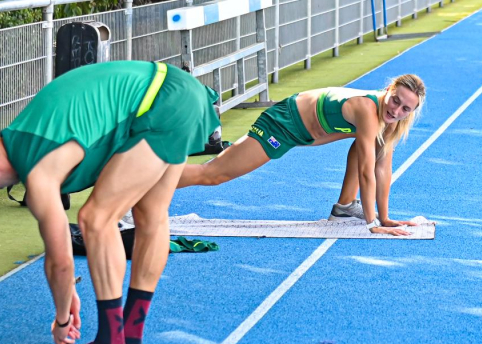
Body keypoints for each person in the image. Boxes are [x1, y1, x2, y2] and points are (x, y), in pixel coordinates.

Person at [0, 60, 222, 344]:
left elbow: (60, 260)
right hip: (175, 89)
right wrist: (69, 292)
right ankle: (129, 335)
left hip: (160, 105)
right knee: (151, 214)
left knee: (96, 218)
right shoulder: (25, 130)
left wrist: (62, 318)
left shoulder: (37, 169)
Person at [178, 75, 426, 235]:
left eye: (406, 109)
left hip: (306, 133)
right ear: (388, 89)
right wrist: (372, 225)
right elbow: (366, 170)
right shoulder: (367, 109)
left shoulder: (389, 121)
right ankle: (147, 183)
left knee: (370, 145)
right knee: (213, 174)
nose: (396, 110)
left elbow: (382, 169)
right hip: (283, 124)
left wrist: (385, 218)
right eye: (395, 101)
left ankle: (345, 207)